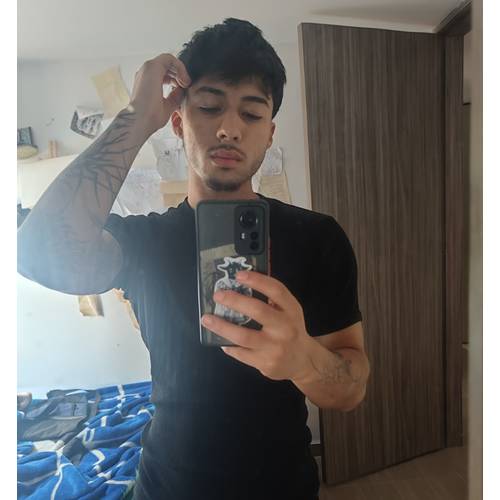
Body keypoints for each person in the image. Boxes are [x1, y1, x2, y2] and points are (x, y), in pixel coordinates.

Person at [17, 18, 370, 500]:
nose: (229, 128)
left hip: (283, 486)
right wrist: (136, 117)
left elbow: (351, 390)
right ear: (179, 123)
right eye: (208, 107)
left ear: (270, 134)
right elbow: (38, 253)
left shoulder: (318, 238)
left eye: (252, 114)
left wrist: (303, 361)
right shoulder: (143, 242)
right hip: (169, 485)